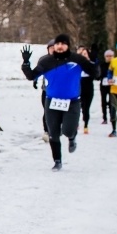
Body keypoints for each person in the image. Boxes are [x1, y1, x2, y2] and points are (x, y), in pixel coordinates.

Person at [22, 33, 99, 170]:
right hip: (52, 101)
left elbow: (96, 74)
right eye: (57, 44)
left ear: (67, 46)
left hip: (72, 101)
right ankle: (57, 161)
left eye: (63, 43)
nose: (59, 46)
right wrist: (26, 63)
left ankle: (72, 137)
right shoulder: (46, 62)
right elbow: (31, 76)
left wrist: (93, 61)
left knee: (68, 131)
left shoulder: (77, 59)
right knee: (53, 133)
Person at [33, 39, 56, 142]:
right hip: (46, 90)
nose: (53, 50)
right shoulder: (43, 60)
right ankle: (46, 131)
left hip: (59, 91)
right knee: (47, 110)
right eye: (51, 48)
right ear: (48, 49)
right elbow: (37, 71)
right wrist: (35, 80)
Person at [76, 45, 98, 134]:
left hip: (89, 88)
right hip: (79, 87)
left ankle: (86, 125)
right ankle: (76, 122)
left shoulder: (92, 64)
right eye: (83, 54)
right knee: (77, 106)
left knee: (86, 108)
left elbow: (96, 74)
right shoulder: (77, 64)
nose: (84, 55)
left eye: (86, 54)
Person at [99, 49, 114, 125]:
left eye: (110, 56)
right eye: (107, 56)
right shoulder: (102, 65)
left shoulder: (114, 65)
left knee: (112, 102)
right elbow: (99, 75)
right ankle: (104, 118)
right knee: (103, 102)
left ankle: (112, 117)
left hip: (112, 85)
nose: (109, 57)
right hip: (103, 85)